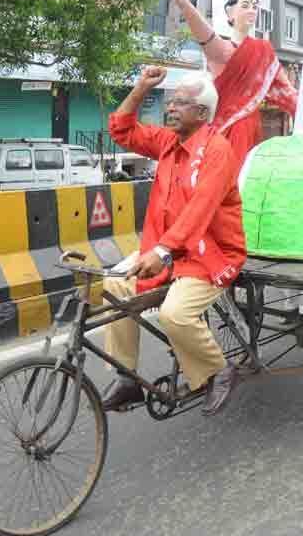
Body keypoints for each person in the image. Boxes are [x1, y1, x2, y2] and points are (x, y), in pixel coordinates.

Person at [100, 69, 245, 416]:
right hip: (164, 249)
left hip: (208, 254)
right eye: (170, 101)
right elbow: (121, 130)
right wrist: (140, 89)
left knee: (175, 314)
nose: (171, 108)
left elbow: (200, 209)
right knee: (113, 285)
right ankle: (127, 377)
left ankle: (218, 370)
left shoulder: (217, 151)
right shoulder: (168, 143)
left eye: (181, 102)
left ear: (202, 113)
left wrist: (163, 252)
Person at [170, 0, 297, 166]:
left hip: (251, 128)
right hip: (223, 127)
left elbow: (288, 93)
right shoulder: (223, 50)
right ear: (230, 13)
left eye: (255, 6)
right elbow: (204, 34)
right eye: (245, 5)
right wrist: (184, 3)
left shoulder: (264, 51)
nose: (251, 10)